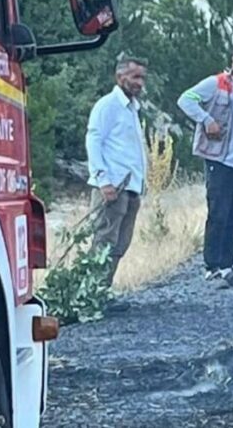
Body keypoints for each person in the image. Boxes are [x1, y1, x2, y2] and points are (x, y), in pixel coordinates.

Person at [177, 44, 233, 289]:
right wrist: (206, 120)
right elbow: (186, 99)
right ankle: (212, 268)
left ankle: (228, 266)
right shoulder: (217, 84)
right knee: (219, 214)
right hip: (221, 161)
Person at [85, 56, 149, 310]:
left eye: (142, 78)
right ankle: (91, 296)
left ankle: (103, 292)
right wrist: (103, 179)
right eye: (135, 77)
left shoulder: (133, 108)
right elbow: (94, 140)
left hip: (131, 187)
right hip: (112, 188)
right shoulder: (108, 105)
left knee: (121, 243)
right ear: (119, 77)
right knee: (104, 240)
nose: (139, 83)